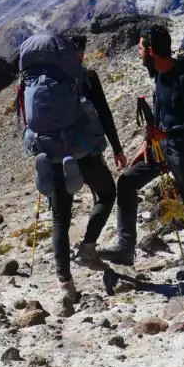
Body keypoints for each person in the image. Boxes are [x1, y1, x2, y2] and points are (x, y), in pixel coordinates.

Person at [100, 25, 184, 274]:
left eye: (141, 49)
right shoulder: (160, 77)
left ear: (151, 50)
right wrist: (146, 143)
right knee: (127, 182)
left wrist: (168, 134)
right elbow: (159, 116)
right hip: (161, 149)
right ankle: (125, 248)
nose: (139, 54)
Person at [47, 34, 127, 294]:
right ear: (78, 53)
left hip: (55, 157)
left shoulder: (44, 81)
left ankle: (65, 282)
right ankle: (87, 248)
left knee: (60, 217)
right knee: (106, 193)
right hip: (86, 154)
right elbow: (104, 113)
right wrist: (116, 149)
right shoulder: (87, 77)